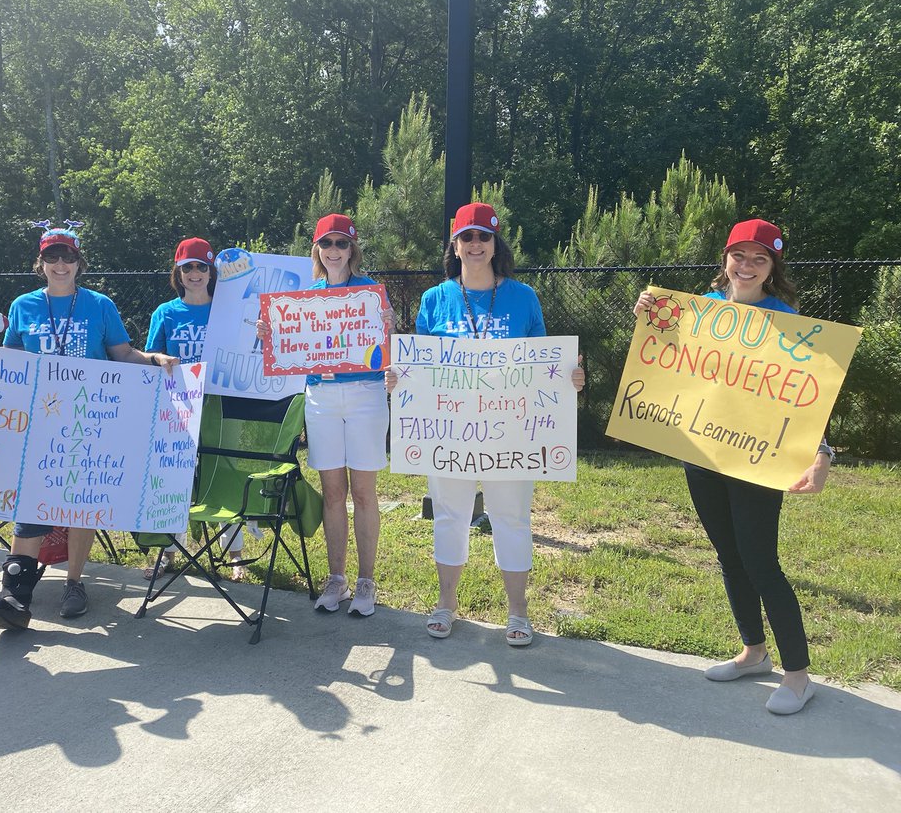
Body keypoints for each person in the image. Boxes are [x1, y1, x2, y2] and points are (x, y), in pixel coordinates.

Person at [633, 218, 831, 715]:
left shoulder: (785, 320)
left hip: (756, 455)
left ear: (772, 268)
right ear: (725, 259)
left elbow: (807, 395)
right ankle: (753, 653)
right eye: (739, 255)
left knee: (761, 562)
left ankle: (798, 676)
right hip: (702, 451)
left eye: (759, 259)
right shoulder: (702, 308)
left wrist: (821, 453)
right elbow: (667, 362)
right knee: (728, 555)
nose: (747, 265)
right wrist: (649, 317)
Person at [391, 202, 585, 646]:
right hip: (449, 433)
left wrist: (570, 377)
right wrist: (398, 378)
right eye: (467, 237)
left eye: (484, 236)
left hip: (510, 433)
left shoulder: (523, 297)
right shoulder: (434, 299)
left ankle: (518, 613)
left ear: (496, 244)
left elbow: (544, 366)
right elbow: (420, 366)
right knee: (449, 517)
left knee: (511, 518)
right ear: (455, 245)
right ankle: (445, 603)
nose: (476, 244)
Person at [0, 223, 178, 630]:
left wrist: (155, 359)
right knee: (32, 499)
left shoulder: (100, 305)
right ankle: (15, 592)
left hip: (92, 417)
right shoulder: (23, 306)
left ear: (79, 262)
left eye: (68, 256)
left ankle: (74, 583)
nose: (60, 264)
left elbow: (122, 354)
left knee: (82, 501)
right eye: (52, 256)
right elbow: (12, 362)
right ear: (41, 263)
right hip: (40, 420)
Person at [260, 213, 390, 616]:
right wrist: (270, 335)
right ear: (316, 250)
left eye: (342, 243)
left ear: (352, 250)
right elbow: (290, 351)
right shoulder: (304, 298)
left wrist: (388, 325)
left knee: (364, 492)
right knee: (333, 492)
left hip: (366, 393)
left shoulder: (370, 292)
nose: (334, 250)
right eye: (327, 243)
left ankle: (366, 581)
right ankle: (337, 578)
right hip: (321, 397)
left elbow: (384, 348)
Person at [142, 237, 242, 579]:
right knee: (173, 475)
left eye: (202, 266)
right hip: (178, 404)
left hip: (221, 404)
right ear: (178, 273)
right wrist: (158, 358)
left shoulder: (228, 310)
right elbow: (149, 356)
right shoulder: (166, 312)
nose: (195, 273)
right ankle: (168, 551)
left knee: (224, 473)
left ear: (212, 272)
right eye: (188, 267)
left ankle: (234, 553)